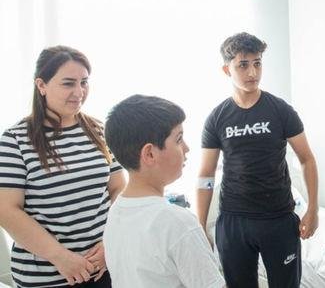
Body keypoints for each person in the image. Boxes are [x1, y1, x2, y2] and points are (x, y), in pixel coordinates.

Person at [196, 32, 319, 288]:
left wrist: (313, 209)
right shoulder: (217, 118)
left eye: (257, 63)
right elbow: (206, 174)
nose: (252, 72)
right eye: (243, 65)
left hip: (278, 218)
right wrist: (200, 224)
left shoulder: (281, 110)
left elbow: (307, 159)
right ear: (226, 70)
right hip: (234, 220)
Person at [0, 45, 126, 288]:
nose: (79, 92)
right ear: (41, 85)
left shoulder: (99, 131)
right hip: (47, 277)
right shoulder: (15, 140)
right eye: (68, 83)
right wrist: (61, 257)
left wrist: (110, 242)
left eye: (84, 82)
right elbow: (6, 210)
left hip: (103, 268)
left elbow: (118, 189)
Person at [103, 94, 224, 288]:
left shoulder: (116, 212)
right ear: (150, 154)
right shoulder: (177, 222)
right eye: (179, 139)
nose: (187, 148)